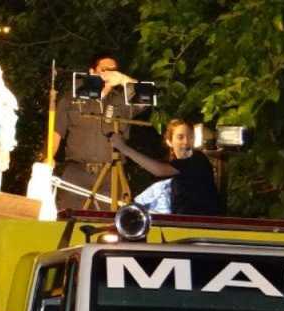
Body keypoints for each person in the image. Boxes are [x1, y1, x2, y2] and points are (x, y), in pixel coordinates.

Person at [53, 52, 139, 210]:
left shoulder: (122, 101)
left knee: (111, 228)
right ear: (92, 72)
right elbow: (56, 132)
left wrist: (123, 79)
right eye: (105, 69)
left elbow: (144, 96)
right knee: (68, 221)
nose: (109, 73)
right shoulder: (72, 99)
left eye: (113, 70)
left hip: (111, 175)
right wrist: (47, 159)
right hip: (76, 173)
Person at [110, 119, 223, 215]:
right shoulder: (177, 166)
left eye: (191, 137)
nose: (186, 142)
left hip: (202, 225)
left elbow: (159, 170)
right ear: (169, 142)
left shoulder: (197, 158)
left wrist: (123, 148)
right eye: (180, 137)